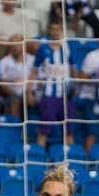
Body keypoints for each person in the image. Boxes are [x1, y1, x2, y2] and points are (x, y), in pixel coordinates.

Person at [28, 20, 77, 148]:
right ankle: (39, 156)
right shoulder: (43, 48)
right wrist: (29, 91)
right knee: (44, 130)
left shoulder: (66, 47)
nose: (55, 32)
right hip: (49, 95)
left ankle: (71, 159)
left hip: (66, 95)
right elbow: (34, 70)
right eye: (52, 29)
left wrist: (77, 84)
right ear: (49, 30)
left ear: (61, 30)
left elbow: (73, 67)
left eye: (57, 29)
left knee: (69, 131)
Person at [0, 35, 35, 119]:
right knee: (16, 101)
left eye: (17, 44)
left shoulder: (33, 60)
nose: (14, 47)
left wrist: (29, 93)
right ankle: (15, 130)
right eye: (11, 44)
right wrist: (18, 95)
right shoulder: (3, 63)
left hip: (32, 92)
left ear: (23, 45)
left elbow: (40, 80)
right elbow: (3, 86)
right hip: (13, 95)